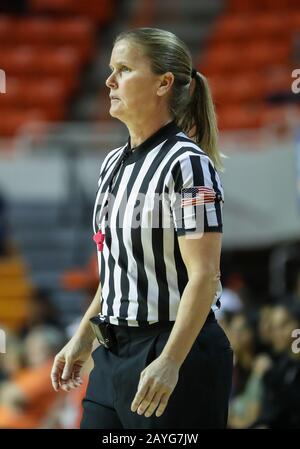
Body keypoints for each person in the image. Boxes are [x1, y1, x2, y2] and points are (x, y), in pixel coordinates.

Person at [51, 27, 233, 429]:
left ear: (163, 83)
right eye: (110, 69)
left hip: (175, 351)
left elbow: (205, 275)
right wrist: (84, 337)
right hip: (113, 352)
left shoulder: (190, 164)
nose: (109, 81)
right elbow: (119, 270)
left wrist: (170, 360)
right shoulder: (111, 164)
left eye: (124, 69)